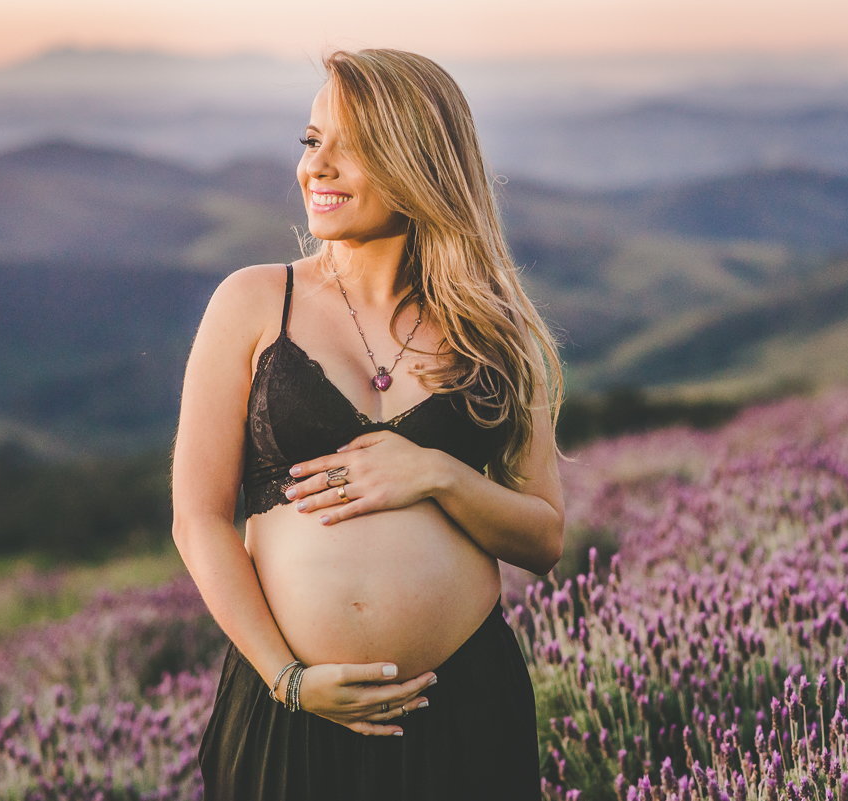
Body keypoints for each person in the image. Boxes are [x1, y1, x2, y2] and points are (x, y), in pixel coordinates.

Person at [171, 48, 565, 800]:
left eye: (351, 146)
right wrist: (288, 678)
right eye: (312, 140)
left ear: (420, 161)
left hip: (461, 710)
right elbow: (198, 519)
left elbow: (543, 537)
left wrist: (440, 475)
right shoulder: (254, 302)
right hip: (291, 708)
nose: (317, 166)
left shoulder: (496, 330)